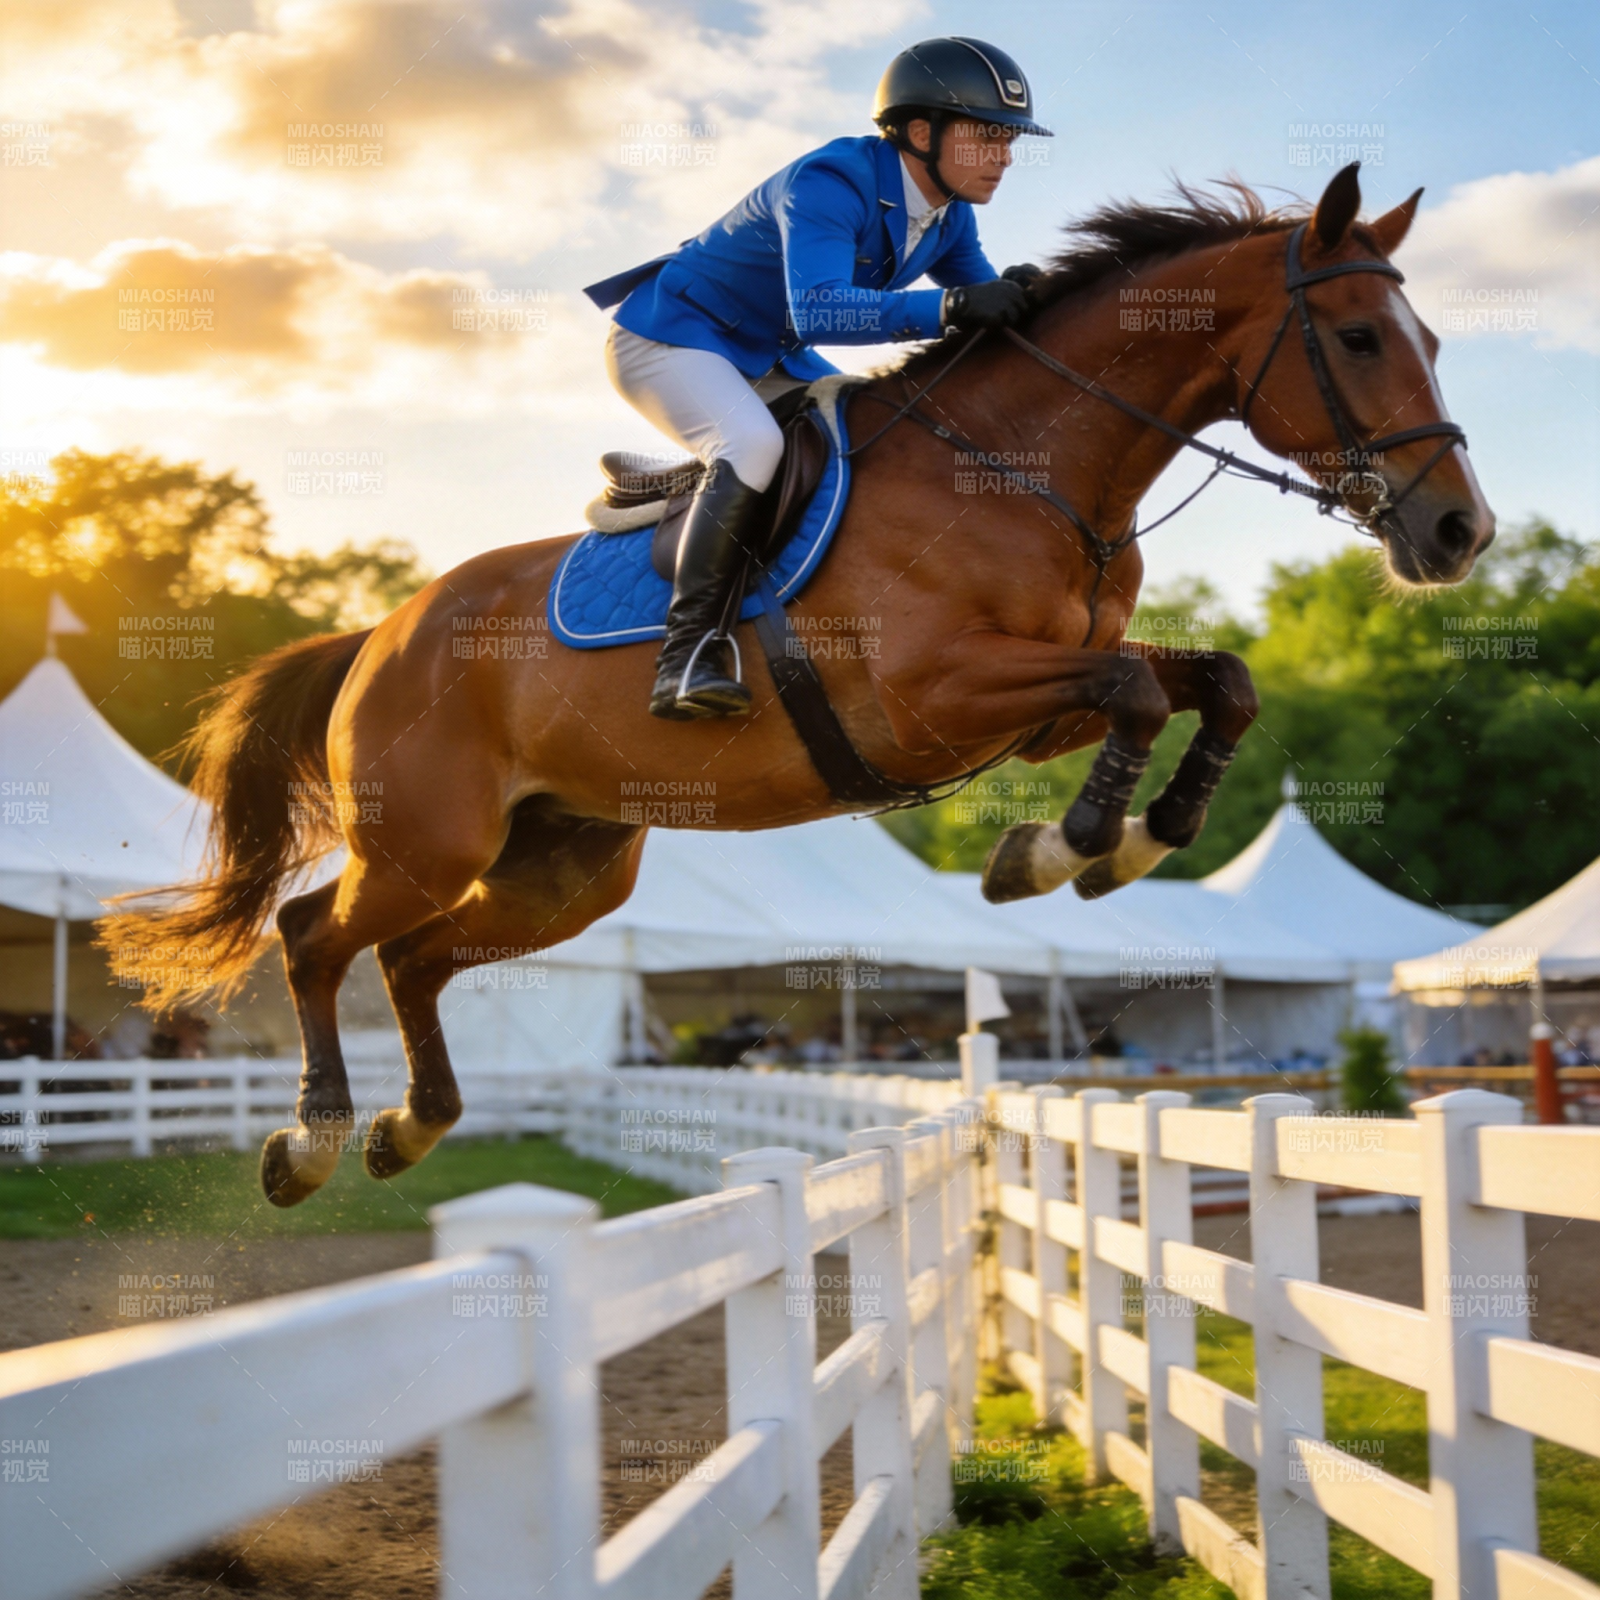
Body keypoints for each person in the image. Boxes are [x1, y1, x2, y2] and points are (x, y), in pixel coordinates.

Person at [584, 38, 1052, 719]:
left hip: (770, 355)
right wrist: (951, 306)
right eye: (988, 137)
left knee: (879, 432)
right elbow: (822, 309)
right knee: (751, 446)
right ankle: (686, 656)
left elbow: (984, 304)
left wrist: (1038, 300)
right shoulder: (830, 181)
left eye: (1009, 140)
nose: (1006, 158)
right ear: (922, 132)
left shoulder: (951, 217)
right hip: (671, 336)